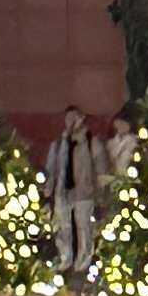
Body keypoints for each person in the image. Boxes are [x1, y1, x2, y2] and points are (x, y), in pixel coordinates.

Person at [41, 107, 108, 277]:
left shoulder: (90, 141)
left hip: (84, 190)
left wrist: (100, 190)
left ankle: (83, 260)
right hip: (62, 188)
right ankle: (64, 258)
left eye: (74, 118)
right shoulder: (60, 142)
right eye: (68, 118)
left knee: (83, 227)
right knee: (62, 225)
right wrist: (48, 186)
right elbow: (51, 165)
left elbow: (100, 166)